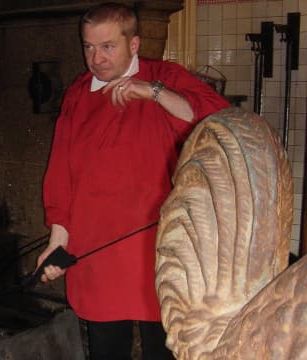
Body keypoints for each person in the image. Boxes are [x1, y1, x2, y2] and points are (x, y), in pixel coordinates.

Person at [36, 3, 230, 359]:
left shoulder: (164, 76)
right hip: (98, 247)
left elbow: (217, 120)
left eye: (107, 46)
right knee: (107, 349)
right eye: (88, 47)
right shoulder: (78, 94)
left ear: (134, 44)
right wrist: (57, 239)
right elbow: (61, 170)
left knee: (165, 349)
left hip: (161, 249)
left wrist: (152, 92)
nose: (96, 58)